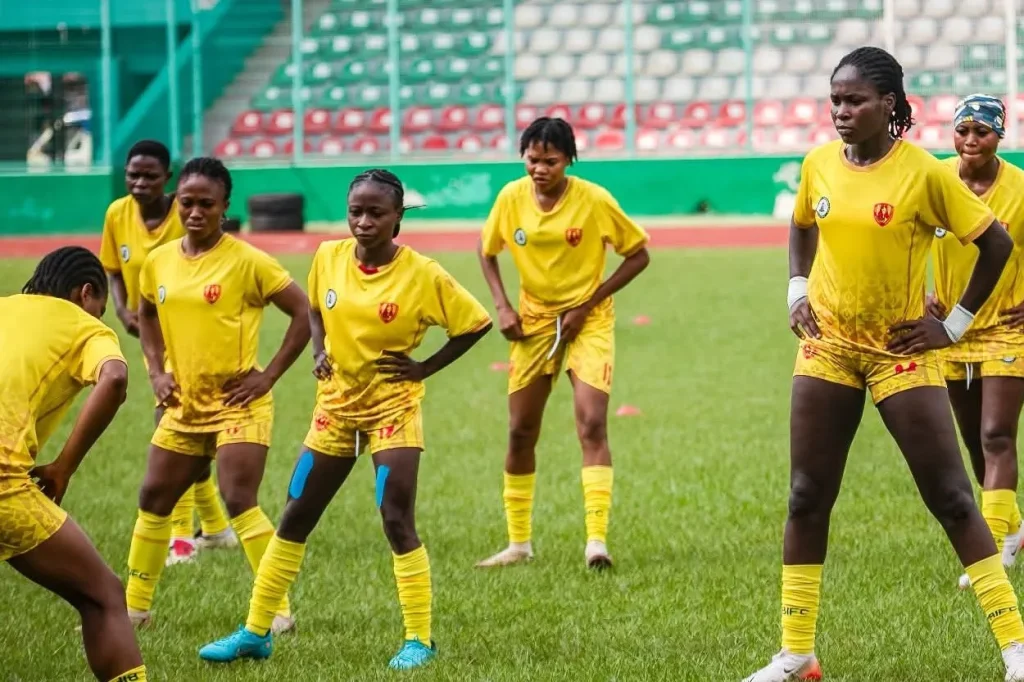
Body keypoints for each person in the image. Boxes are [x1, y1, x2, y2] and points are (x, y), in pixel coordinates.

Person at [744, 47, 1024, 682]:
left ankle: (1015, 650)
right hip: (828, 347)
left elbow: (996, 242)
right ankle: (796, 655)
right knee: (806, 496)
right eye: (835, 100)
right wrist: (796, 289)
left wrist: (952, 325)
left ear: (890, 106)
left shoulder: (924, 173)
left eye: (855, 101)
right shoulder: (818, 164)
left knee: (952, 497)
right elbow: (801, 225)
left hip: (900, 355)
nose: (841, 112)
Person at [198, 169, 492, 671]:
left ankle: (419, 640)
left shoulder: (424, 273)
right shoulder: (328, 256)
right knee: (295, 516)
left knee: (396, 519)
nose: (363, 221)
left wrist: (423, 368)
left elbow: (474, 324)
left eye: (376, 213)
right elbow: (314, 307)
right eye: (356, 211)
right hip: (335, 409)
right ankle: (255, 631)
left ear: (398, 218)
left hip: (393, 410)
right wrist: (318, 349)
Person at [123, 157, 311, 634]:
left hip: (237, 406)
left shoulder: (248, 261)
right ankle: (134, 609)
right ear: (175, 203)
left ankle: (278, 610)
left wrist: (267, 376)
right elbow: (145, 312)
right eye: (186, 202)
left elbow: (304, 312)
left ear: (225, 207)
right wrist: (156, 370)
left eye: (207, 204)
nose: (195, 212)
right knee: (153, 497)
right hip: (182, 405)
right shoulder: (159, 260)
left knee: (238, 498)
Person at [474, 117, 650, 570]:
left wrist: (587, 303)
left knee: (591, 423)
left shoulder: (593, 200)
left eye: (550, 161)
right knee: (520, 430)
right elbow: (486, 250)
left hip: (588, 321)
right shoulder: (511, 198)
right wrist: (503, 306)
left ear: (569, 160)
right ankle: (518, 543)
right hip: (532, 323)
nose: (540, 169)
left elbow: (638, 254)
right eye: (532, 159)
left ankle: (596, 542)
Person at [2, 246, 147, 682]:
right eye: (100, 309)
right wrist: (64, 466)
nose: (99, 317)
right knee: (103, 595)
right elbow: (116, 378)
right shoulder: (85, 326)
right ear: (87, 294)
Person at [99, 139, 235, 567]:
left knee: (175, 434)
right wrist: (123, 308)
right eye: (132, 175)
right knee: (184, 435)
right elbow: (113, 268)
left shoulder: (189, 211)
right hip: (154, 339)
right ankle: (214, 528)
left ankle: (181, 538)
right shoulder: (117, 214)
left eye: (150, 176)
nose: (139, 183)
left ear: (167, 179)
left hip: (193, 337)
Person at [926, 94, 1024, 591]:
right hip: (951, 333)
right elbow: (907, 237)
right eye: (962, 130)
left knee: (996, 435)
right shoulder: (938, 179)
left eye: (981, 132)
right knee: (973, 442)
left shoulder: (1020, 189)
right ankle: (1016, 525)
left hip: (1008, 327)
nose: (969, 141)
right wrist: (920, 293)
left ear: (998, 137)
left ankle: (994, 546)